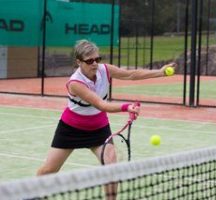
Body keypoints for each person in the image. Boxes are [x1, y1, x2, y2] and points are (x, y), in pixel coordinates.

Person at [36, 39, 176, 198]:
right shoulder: (75, 83)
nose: (94, 63)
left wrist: (160, 72)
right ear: (79, 62)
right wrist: (126, 107)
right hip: (71, 129)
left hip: (99, 129)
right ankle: (29, 194)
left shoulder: (105, 70)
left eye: (97, 59)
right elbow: (100, 104)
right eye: (89, 61)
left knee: (111, 169)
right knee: (48, 170)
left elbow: (131, 74)